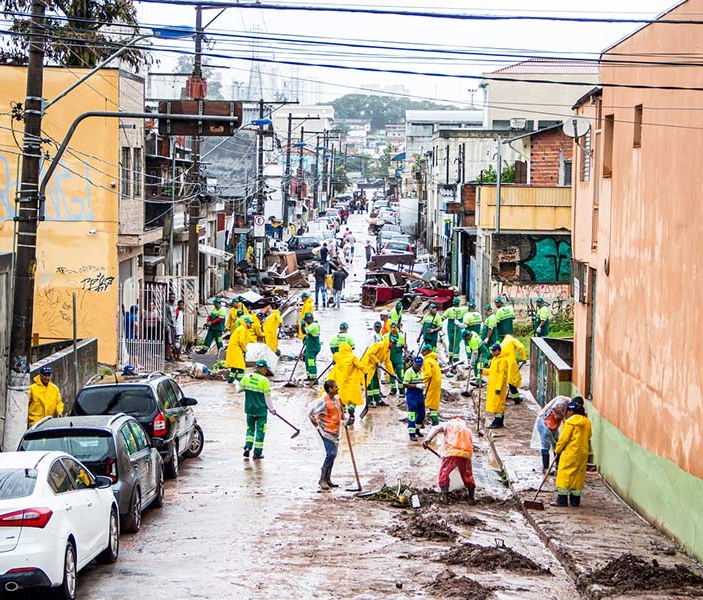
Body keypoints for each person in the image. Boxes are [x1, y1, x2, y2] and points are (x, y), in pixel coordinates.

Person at [423, 416, 476, 504]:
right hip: (467, 453)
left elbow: (435, 429)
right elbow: (470, 443)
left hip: (452, 451)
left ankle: (444, 497)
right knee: (467, 474)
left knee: (444, 472)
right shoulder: (467, 429)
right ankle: (471, 498)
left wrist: (427, 440)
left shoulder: (448, 424)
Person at [553, 401, 592, 507]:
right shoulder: (587, 422)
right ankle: (575, 500)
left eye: (568, 411)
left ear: (571, 411)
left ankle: (562, 499)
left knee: (565, 474)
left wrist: (557, 450)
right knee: (578, 475)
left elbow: (564, 439)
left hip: (570, 453)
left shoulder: (570, 422)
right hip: (582, 453)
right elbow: (589, 436)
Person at [309, 379, 344, 491]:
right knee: (330, 454)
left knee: (333, 455)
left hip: (335, 431)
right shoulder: (323, 401)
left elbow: (341, 413)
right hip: (326, 432)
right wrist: (318, 427)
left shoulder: (338, 400)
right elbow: (311, 414)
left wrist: (347, 419)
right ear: (329, 389)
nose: (337, 388)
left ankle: (328, 479)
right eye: (335, 387)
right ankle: (322, 479)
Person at [239, 359, 276, 459]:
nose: (266, 371)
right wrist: (272, 409)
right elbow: (267, 398)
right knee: (260, 431)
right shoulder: (264, 381)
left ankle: (247, 447)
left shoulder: (247, 377)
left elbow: (239, 389)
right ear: (261, 368)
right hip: (261, 411)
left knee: (250, 429)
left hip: (249, 410)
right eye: (265, 369)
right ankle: (257, 453)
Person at [533, 395, 574, 473]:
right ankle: (546, 468)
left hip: (553, 425)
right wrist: (563, 416)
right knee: (545, 445)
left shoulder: (568, 405)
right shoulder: (563, 402)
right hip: (544, 423)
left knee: (557, 445)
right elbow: (555, 408)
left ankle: (558, 467)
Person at [328, 342, 364, 426]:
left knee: (341, 397)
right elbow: (360, 366)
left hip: (340, 382)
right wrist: (365, 372)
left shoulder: (337, 356)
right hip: (351, 382)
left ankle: (341, 415)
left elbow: (334, 359)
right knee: (352, 398)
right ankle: (351, 411)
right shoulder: (353, 357)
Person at [361, 336, 396, 407]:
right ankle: (370, 401)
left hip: (374, 367)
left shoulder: (387, 350)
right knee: (369, 383)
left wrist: (392, 373)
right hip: (367, 365)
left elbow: (388, 362)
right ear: (390, 342)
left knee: (376, 382)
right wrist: (377, 361)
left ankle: (378, 399)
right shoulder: (379, 345)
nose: (394, 346)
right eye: (393, 344)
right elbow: (370, 353)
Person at [486, 343, 509, 429]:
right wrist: (483, 372)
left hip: (498, 387)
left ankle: (498, 422)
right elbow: (492, 372)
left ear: (499, 350)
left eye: (494, 350)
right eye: (492, 350)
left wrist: (498, 387)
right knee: (495, 404)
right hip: (493, 385)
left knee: (498, 405)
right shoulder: (494, 359)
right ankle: (497, 420)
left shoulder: (502, 361)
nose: (493, 352)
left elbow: (501, 375)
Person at [500, 334, 527, 404]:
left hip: (502, 363)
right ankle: (516, 398)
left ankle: (500, 397)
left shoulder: (502, 343)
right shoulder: (512, 340)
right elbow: (521, 347)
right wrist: (524, 358)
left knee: (503, 380)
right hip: (511, 363)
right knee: (512, 381)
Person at [403, 356, 425, 441]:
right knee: (412, 414)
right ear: (414, 363)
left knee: (422, 413)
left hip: (420, 395)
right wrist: (416, 386)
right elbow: (405, 384)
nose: (419, 367)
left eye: (420, 365)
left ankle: (417, 429)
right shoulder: (409, 372)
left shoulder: (421, 371)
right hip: (412, 396)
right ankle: (411, 433)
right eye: (418, 365)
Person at [421, 344, 442, 426]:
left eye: (423, 351)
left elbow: (427, 375)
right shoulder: (433, 360)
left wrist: (421, 382)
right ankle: (434, 421)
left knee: (428, 402)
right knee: (433, 403)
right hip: (436, 384)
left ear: (427, 352)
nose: (422, 352)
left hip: (431, 385)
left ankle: (435, 422)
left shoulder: (427, 361)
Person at [226, 316, 251, 383]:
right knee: (241, 365)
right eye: (249, 323)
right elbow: (241, 341)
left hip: (233, 347)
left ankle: (230, 379)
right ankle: (240, 380)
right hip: (236, 348)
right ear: (246, 323)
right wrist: (244, 349)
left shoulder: (241, 328)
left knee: (235, 365)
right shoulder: (243, 329)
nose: (250, 325)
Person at [443, 297, 467, 366]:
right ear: (459, 303)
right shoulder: (463, 309)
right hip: (458, 328)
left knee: (451, 343)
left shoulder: (449, 310)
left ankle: (451, 358)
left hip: (450, 327)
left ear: (453, 303)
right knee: (457, 343)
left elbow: (443, 318)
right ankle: (456, 358)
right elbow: (471, 309)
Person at [386, 322, 406, 396]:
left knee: (401, 375)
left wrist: (405, 346)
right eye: (392, 327)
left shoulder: (401, 336)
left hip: (399, 359)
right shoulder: (387, 336)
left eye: (394, 327)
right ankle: (393, 389)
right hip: (390, 359)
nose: (393, 329)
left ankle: (401, 390)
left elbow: (404, 347)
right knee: (391, 375)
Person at [303, 313, 321, 381]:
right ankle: (309, 376)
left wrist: (302, 325)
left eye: (306, 320)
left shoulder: (313, 325)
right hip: (309, 348)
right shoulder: (312, 325)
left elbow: (304, 331)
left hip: (313, 348)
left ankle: (313, 379)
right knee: (307, 362)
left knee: (311, 363)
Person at [165, 292, 177, 363]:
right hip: (168, 325)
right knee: (169, 342)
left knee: (171, 341)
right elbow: (165, 316)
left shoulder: (173, 305)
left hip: (173, 325)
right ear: (169, 297)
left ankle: (169, 355)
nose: (173, 298)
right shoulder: (166, 305)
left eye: (173, 297)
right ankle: (167, 356)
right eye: (171, 297)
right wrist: (166, 325)